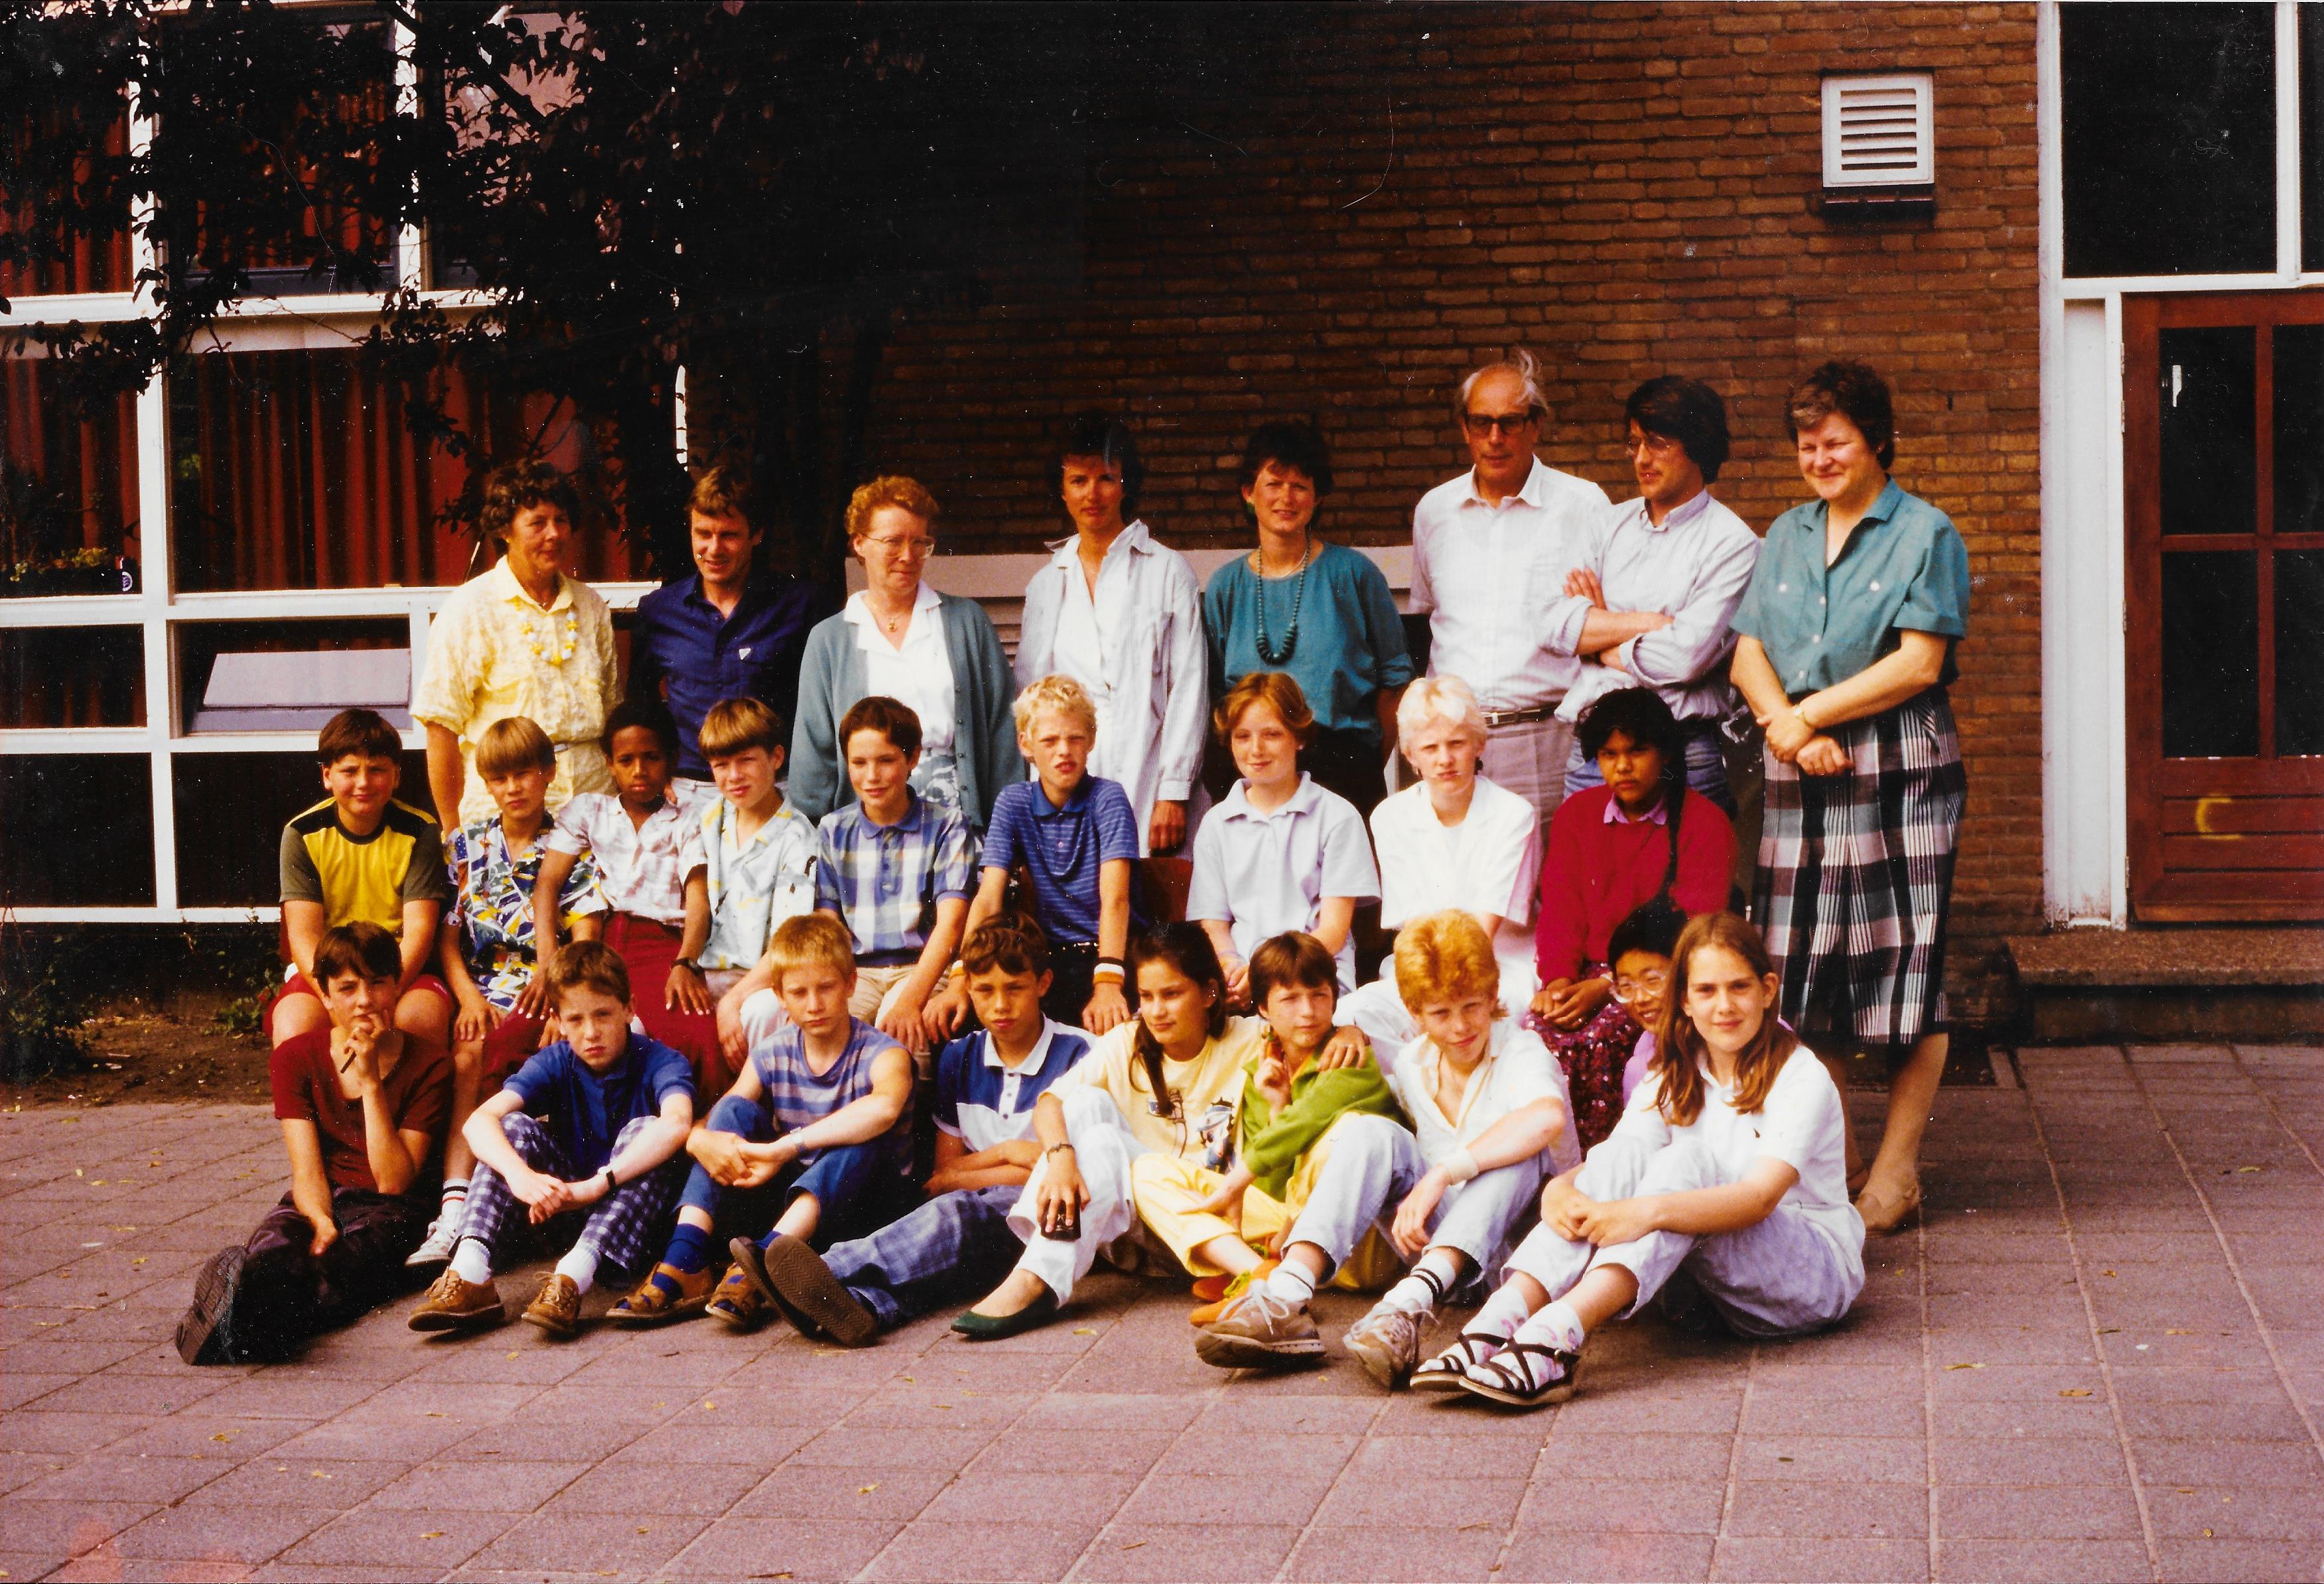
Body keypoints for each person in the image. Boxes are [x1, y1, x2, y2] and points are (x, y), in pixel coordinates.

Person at [1417, 913, 1863, 1408]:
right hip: (1708, 1287)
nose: (1723, 1006)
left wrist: (1642, 1212)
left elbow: (1758, 1200)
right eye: (1706, 991)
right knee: (1627, 1152)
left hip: (1808, 1278)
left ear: (1766, 989)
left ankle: (1556, 1335)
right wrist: (1560, 1190)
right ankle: (1496, 1323)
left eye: (1738, 987)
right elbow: (1616, 1160)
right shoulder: (1673, 1071)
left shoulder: (1801, 1075)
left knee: (1686, 1157)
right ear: (1686, 1001)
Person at [1730, 359, 1970, 1236]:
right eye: (1804, 443)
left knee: (1902, 965)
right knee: (1796, 973)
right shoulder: (1785, 533)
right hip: (1798, 759)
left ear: (1874, 439)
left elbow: (1918, 662)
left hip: (1897, 761)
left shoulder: (1924, 531)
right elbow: (1746, 647)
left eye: (1833, 440)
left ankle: (1897, 1174)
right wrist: (1782, 727)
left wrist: (1803, 716)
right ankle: (1847, 1164)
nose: (1818, 457)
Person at [1196, 912, 1576, 1387]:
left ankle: (1403, 1308)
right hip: (1437, 1254)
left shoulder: (1521, 1050)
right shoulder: (1414, 1064)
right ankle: (1286, 1297)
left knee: (1518, 1152)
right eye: (1440, 1013)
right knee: (1371, 1130)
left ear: (1493, 995)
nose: (1460, 1027)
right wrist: (1296, 1089)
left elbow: (1545, 1119)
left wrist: (1442, 1174)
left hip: (1516, 1262)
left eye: (1473, 1006)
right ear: (1414, 1013)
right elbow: (1363, 1139)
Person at [724, 920, 1093, 1345]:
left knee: (954, 1214)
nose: (1000, 1006)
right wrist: (1016, 1154)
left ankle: (820, 1270)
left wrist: (983, 1174)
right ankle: (861, 1307)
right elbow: (942, 1175)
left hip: (1044, 1220)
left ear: (1043, 983)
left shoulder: (1081, 1053)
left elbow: (1066, 1175)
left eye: (1015, 988)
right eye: (985, 991)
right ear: (967, 990)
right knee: (946, 1238)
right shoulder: (959, 1057)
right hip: (981, 1222)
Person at [950, 925, 1262, 1341]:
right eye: (1146, 997)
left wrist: (1349, 1032)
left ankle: (1037, 1279)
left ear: (1209, 993)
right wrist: (1060, 1159)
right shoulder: (1127, 1042)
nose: (1156, 1012)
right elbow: (1049, 1104)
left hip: (1220, 1236)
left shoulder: (1252, 1038)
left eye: (1171, 995)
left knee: (1101, 1139)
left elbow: (1318, 1027)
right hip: (1145, 1237)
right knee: (1085, 1107)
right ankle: (1035, 1274)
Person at [178, 923, 452, 1364]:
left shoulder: (430, 1063)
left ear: (397, 986)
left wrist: (370, 1086)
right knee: (275, 1247)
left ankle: (239, 1328)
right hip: (321, 1196)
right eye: (347, 988)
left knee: (343, 1267)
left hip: (393, 1210)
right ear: (324, 996)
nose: (365, 1000)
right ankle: (250, 1306)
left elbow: (393, 1181)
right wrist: (320, 1221)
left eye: (378, 983)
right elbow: (306, 1172)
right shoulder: (295, 1058)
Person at [622, 915, 914, 1329]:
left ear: (850, 984)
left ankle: (762, 1262)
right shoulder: (773, 1052)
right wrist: (699, 1140)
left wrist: (782, 1148)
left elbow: (884, 1108)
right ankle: (685, 1258)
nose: (814, 1004)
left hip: (866, 1205)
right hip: (795, 1208)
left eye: (826, 988)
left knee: (863, 1138)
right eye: (799, 992)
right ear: (779, 995)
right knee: (733, 1112)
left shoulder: (884, 1053)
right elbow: (725, 1113)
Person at [406, 941, 696, 1338]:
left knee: (647, 1131)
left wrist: (598, 1185)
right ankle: (471, 1271)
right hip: (563, 1206)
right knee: (511, 1128)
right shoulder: (558, 1060)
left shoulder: (661, 1060)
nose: (591, 1032)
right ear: (558, 1021)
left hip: (634, 1223)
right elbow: (478, 1121)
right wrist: (520, 1176)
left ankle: (572, 1278)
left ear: (629, 1009)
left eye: (603, 1015)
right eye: (575, 1020)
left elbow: (678, 1122)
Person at [416, 716, 609, 1268]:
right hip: (480, 988)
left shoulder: (569, 845)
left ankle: (484, 1206)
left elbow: (585, 938)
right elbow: (449, 941)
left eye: (524, 774)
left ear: (548, 774)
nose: (513, 789)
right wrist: (470, 999)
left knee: (503, 1058)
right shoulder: (468, 845)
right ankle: (455, 1205)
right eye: (499, 779)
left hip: (546, 988)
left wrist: (563, 1001)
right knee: (467, 1051)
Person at [1131, 932, 1399, 1331]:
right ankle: (1261, 1274)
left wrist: (1231, 1188)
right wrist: (1277, 1105)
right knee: (1148, 1172)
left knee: (1344, 1132)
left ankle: (1266, 1273)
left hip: (1357, 1250)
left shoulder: (1352, 1059)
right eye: (1290, 1000)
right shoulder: (1263, 1072)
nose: (1307, 1011)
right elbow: (1274, 1187)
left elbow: (1302, 1126)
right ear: (1263, 1009)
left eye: (1319, 996)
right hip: (1289, 1238)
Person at [1410, 349, 1613, 849]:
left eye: (1509, 422)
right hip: (1453, 745)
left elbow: (1608, 620)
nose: (1494, 438)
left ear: (1536, 426)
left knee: (1547, 901)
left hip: (1548, 738)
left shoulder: (1584, 505)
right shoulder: (1434, 512)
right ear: (1464, 428)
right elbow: (1425, 620)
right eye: (1481, 423)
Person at [1531, 687, 1736, 1152]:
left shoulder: (1703, 823)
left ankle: (1611, 1163)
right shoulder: (1576, 816)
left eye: (1636, 751)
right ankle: (1551, 1168)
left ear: (1663, 751)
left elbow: (1694, 931)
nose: (1622, 767)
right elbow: (1560, 906)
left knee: (1598, 1041)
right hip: (1583, 976)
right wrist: (1557, 982)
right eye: (1608, 754)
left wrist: (1610, 988)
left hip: (1661, 977)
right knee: (1535, 1036)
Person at [724, 696, 975, 1074]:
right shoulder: (834, 829)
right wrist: (826, 990)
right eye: (859, 763)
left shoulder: (945, 824)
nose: (871, 776)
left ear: (912, 758)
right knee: (816, 1039)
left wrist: (911, 999)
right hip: (854, 971)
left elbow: (951, 924)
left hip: (920, 966)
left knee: (901, 1035)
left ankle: (902, 1129)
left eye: (886, 761)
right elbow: (828, 922)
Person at [1550, 376, 1760, 812]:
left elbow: (1684, 658)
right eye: (1634, 443)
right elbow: (1552, 624)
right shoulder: (1603, 526)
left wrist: (1598, 642)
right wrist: (1649, 625)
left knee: (1683, 882)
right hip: (1593, 754)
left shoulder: (1733, 544)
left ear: (1698, 445)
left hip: (1682, 757)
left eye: (1657, 443)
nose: (1642, 458)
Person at [1015, 413, 1207, 854]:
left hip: (1149, 774)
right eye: (1078, 480)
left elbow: (1188, 686)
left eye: (1106, 478)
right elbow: (1031, 696)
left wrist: (1173, 791)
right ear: (1061, 489)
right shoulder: (1046, 584)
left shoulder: (1165, 570)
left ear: (1126, 484)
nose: (1093, 493)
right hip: (1067, 779)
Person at [1203, 421, 1412, 815]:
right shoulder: (1224, 588)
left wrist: (1366, 759)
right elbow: (1217, 693)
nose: (1287, 497)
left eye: (1300, 485)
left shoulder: (1355, 574)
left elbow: (1396, 677)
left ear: (1317, 498)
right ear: (1249, 493)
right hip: (1256, 776)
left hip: (1344, 771)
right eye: (1274, 484)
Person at [790, 476, 1020, 832]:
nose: (908, 556)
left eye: (920, 543)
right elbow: (813, 753)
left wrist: (1007, 832)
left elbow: (1004, 731)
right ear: (859, 544)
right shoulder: (828, 640)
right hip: (865, 822)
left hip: (957, 819)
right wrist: (814, 836)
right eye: (893, 541)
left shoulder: (967, 622)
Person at [1336, 675, 1541, 1068]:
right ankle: (1416, 1095)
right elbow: (1413, 928)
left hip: (1497, 969)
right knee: (1352, 1015)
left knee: (1487, 1026)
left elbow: (1482, 934)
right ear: (1410, 754)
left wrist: (1442, 1009)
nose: (1444, 759)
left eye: (1457, 743)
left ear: (1479, 744)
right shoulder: (1389, 817)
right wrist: (1429, 1000)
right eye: (1430, 748)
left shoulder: (1514, 814)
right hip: (1421, 966)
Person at [413, 459, 618, 831]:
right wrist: (452, 833)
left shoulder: (591, 608)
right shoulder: (470, 609)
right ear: (506, 529)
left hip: (596, 811)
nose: (553, 534)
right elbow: (440, 727)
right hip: (504, 819)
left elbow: (613, 716)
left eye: (561, 520)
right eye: (538, 523)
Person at [531, 701, 722, 1091]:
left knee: (698, 1035)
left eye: (651, 758)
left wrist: (685, 961)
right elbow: (548, 885)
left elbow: (698, 896)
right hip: (593, 945)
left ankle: (698, 1143)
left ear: (671, 759)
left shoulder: (686, 820)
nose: (639, 771)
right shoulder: (590, 810)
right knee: (516, 1034)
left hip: (659, 947)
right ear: (609, 763)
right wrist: (548, 966)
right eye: (626, 759)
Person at [942, 675, 1138, 1035]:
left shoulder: (1108, 798)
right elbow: (988, 899)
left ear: (1091, 740)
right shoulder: (1014, 802)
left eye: (1075, 738)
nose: (1063, 750)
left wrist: (1108, 981)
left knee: (1109, 1032)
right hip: (1048, 955)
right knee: (972, 1020)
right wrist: (959, 977)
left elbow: (1116, 898)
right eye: (1049, 741)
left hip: (1109, 952)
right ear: (1026, 744)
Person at [628, 461, 835, 801]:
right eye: (703, 533)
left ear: (756, 534)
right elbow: (641, 702)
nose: (713, 549)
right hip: (690, 790)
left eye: (729, 535)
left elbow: (823, 704)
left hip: (776, 788)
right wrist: (658, 776)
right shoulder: (659, 611)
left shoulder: (801, 607)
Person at [1188, 672, 1379, 999]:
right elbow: (1214, 923)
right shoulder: (1216, 823)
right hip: (1240, 978)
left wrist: (1265, 975)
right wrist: (1231, 968)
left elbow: (1333, 931)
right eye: (1242, 737)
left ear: (1299, 738)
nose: (1256, 750)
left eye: (1272, 735)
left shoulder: (1337, 815)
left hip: (1315, 977)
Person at [273, 708, 453, 1051]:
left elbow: (419, 934)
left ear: (397, 776)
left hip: (397, 972)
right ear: (327, 776)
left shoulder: (421, 832)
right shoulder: (301, 833)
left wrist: (379, 997)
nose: (363, 783)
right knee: (294, 1023)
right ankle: (302, 1107)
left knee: (421, 1017)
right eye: (349, 771)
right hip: (330, 974)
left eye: (377, 770)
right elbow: (304, 936)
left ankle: (414, 1106)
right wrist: (339, 1001)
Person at [693, 696, 822, 1004]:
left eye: (746, 760)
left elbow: (786, 943)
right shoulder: (711, 817)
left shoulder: (798, 838)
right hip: (707, 974)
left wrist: (734, 1001)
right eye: (721, 765)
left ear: (776, 758)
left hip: (763, 981)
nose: (734, 776)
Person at [1606, 896, 1688, 1110]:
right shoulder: (1641, 1064)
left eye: (1652, 981)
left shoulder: (1732, 1035)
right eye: (1627, 986)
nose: (1640, 999)